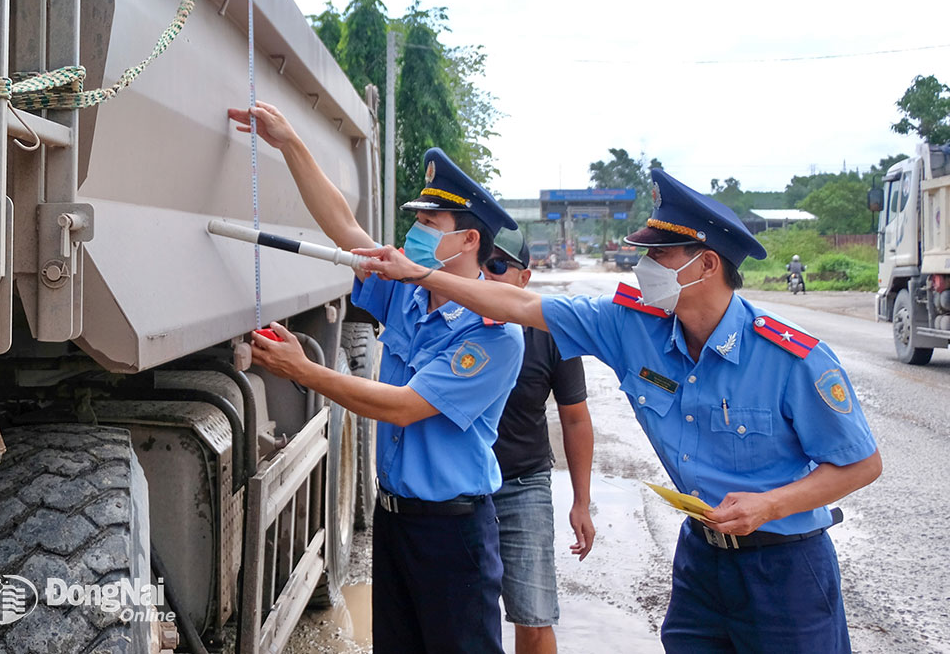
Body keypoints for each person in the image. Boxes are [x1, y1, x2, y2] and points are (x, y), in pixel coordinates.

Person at [355, 167, 883, 653]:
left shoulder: (792, 359)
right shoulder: (632, 326)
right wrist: (420, 275)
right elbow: (515, 305)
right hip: (701, 557)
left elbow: (862, 464)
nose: (643, 266)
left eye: (660, 256)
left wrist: (770, 506)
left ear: (706, 264)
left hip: (785, 566)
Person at [228, 101, 524, 653]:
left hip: (452, 534)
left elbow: (403, 406)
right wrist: (290, 140)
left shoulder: (494, 334)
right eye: (416, 219)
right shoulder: (409, 295)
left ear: (468, 242)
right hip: (395, 523)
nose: (413, 232)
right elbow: (343, 228)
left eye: (428, 223)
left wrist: (305, 370)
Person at [484, 228, 595, 654]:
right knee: (457, 613)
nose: (486, 276)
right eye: (481, 265)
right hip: (458, 487)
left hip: (521, 486)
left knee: (532, 615)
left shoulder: (552, 332)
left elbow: (575, 419)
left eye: (498, 267)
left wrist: (580, 502)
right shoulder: (451, 322)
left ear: (524, 279)